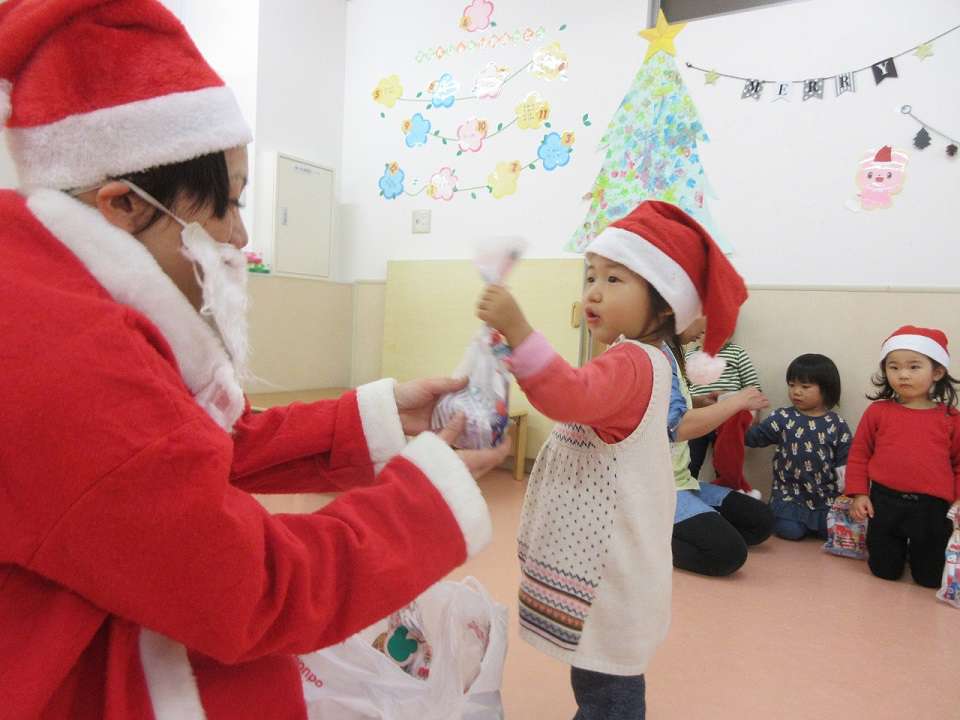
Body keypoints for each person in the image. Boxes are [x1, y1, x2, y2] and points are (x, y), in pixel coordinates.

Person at [0, 2, 508, 718]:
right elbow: (256, 589)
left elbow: (178, 457)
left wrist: (376, 416)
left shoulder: (49, 299)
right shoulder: (65, 362)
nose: (240, 236)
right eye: (229, 204)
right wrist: (428, 497)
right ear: (123, 204)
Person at [477, 200, 746, 719]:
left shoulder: (633, 363)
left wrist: (519, 329)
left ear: (663, 305)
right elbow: (574, 391)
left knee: (608, 685)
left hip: (608, 565)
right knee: (601, 673)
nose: (593, 292)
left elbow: (568, 396)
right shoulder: (641, 358)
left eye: (614, 279)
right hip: (610, 558)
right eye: (591, 276)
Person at [848, 326, 960, 587]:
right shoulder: (877, 412)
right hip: (884, 501)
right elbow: (859, 454)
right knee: (883, 570)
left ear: (937, 372)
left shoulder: (951, 419)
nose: (903, 375)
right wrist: (859, 493)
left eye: (914, 367)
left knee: (930, 578)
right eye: (894, 367)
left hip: (932, 508)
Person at [665, 325, 774, 577]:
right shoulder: (656, 355)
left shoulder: (674, 353)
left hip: (683, 482)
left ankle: (694, 520)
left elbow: (670, 408)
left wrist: (699, 402)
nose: (707, 328)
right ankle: (647, 539)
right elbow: (677, 426)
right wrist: (735, 402)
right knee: (728, 554)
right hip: (662, 488)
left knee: (761, 521)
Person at [745, 354, 852, 540]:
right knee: (790, 531)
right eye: (792, 385)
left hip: (825, 498)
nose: (796, 392)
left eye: (805, 386)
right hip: (790, 496)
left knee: (832, 532)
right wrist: (733, 423)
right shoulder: (783, 417)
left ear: (826, 388)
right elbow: (755, 437)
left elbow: (846, 461)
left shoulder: (837, 424)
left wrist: (850, 494)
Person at [684, 329, 763, 493]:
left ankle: (727, 497)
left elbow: (752, 386)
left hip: (727, 419)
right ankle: (686, 495)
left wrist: (755, 414)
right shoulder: (690, 356)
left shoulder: (736, 353)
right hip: (698, 417)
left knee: (726, 463)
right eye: (704, 331)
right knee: (690, 461)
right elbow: (683, 389)